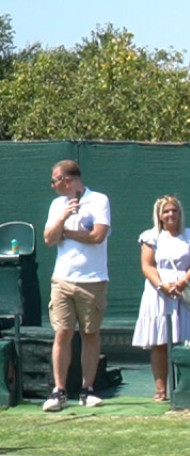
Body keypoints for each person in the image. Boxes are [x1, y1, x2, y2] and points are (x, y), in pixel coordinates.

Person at [42, 160, 111, 412]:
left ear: (67, 180)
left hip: (93, 280)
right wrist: (63, 216)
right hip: (61, 279)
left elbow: (97, 236)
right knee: (62, 333)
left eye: (55, 181)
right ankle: (58, 392)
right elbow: (49, 238)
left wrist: (68, 234)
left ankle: (87, 390)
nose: (53, 186)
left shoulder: (99, 200)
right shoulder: (56, 205)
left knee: (90, 334)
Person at [131, 196, 190, 401]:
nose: (171, 214)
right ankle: (161, 391)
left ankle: (188, 388)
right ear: (159, 215)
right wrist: (161, 285)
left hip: (185, 293)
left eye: (174, 210)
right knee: (160, 342)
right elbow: (147, 265)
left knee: (187, 341)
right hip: (158, 293)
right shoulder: (151, 236)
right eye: (166, 211)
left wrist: (183, 282)